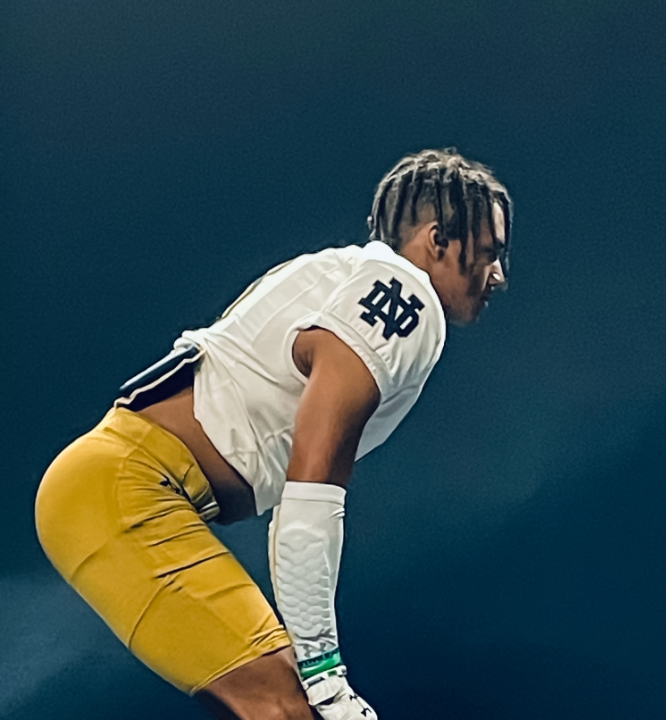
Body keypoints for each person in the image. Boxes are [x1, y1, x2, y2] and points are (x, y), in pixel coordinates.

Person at [34, 148, 510, 720]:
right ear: (438, 241)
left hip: (112, 483)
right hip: (127, 491)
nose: (498, 275)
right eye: (490, 252)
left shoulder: (340, 270)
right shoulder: (406, 297)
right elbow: (309, 492)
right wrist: (324, 672)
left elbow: (293, 495)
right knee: (289, 709)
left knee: (286, 705)